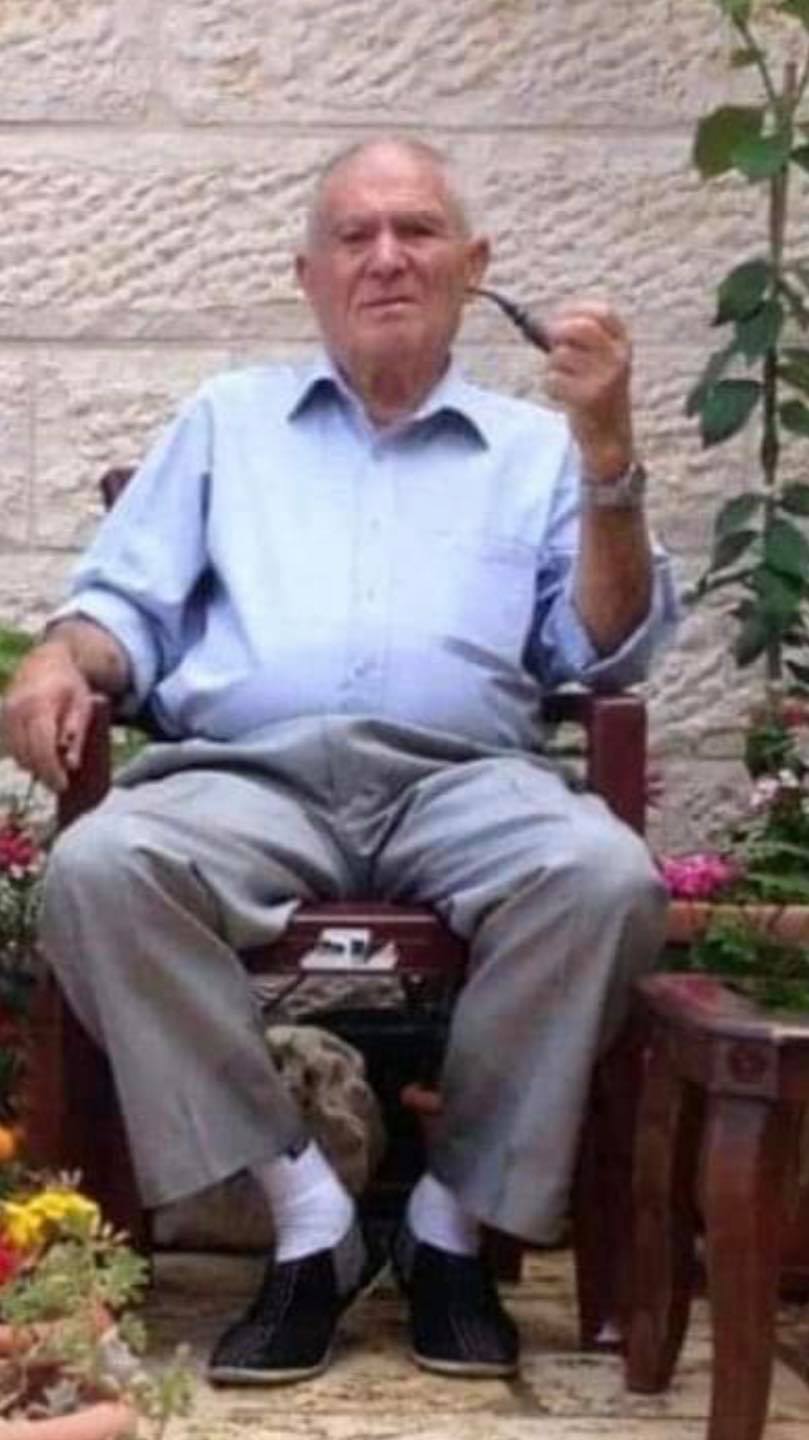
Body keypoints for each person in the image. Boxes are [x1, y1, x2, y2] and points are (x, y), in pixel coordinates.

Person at [1, 136, 676, 1385]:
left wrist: (606, 461)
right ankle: (309, 1218)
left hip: (463, 778)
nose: (385, 258)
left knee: (602, 878)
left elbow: (605, 646)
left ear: (472, 267)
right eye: (353, 236)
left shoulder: (537, 449)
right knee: (99, 871)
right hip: (245, 779)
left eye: (416, 231)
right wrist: (57, 657)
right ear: (305, 273)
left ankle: (446, 1226)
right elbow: (121, 611)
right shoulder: (226, 423)